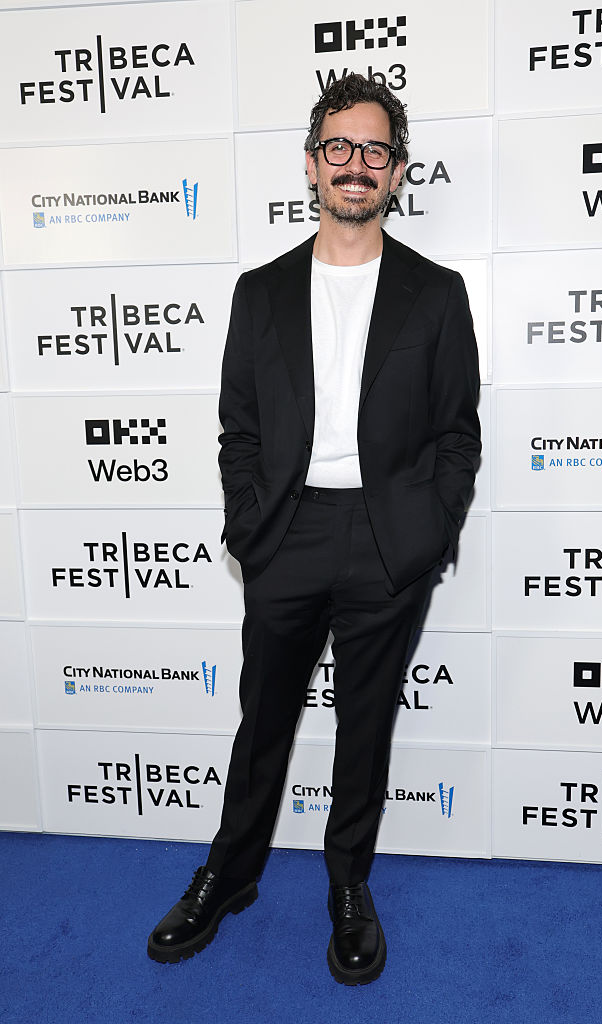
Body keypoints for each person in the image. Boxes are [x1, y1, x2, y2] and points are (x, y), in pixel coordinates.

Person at [148, 73, 481, 985]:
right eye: (339, 146)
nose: (355, 164)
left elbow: (457, 434)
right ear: (310, 164)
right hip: (284, 536)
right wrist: (249, 527)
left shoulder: (436, 293)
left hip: (387, 542)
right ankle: (228, 874)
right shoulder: (259, 293)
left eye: (374, 149)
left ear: (397, 171)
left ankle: (348, 887)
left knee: (363, 728)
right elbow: (240, 431)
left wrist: (429, 532)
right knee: (263, 721)